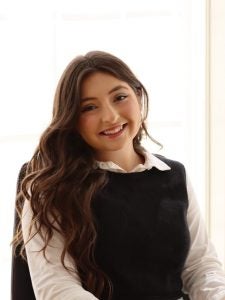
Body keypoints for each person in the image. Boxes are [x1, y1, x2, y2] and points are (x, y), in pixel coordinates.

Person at [13, 50, 225, 300]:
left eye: (120, 97)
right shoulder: (49, 189)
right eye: (89, 107)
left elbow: (201, 267)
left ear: (138, 95)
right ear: (71, 118)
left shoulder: (174, 175)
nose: (111, 116)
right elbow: (57, 288)